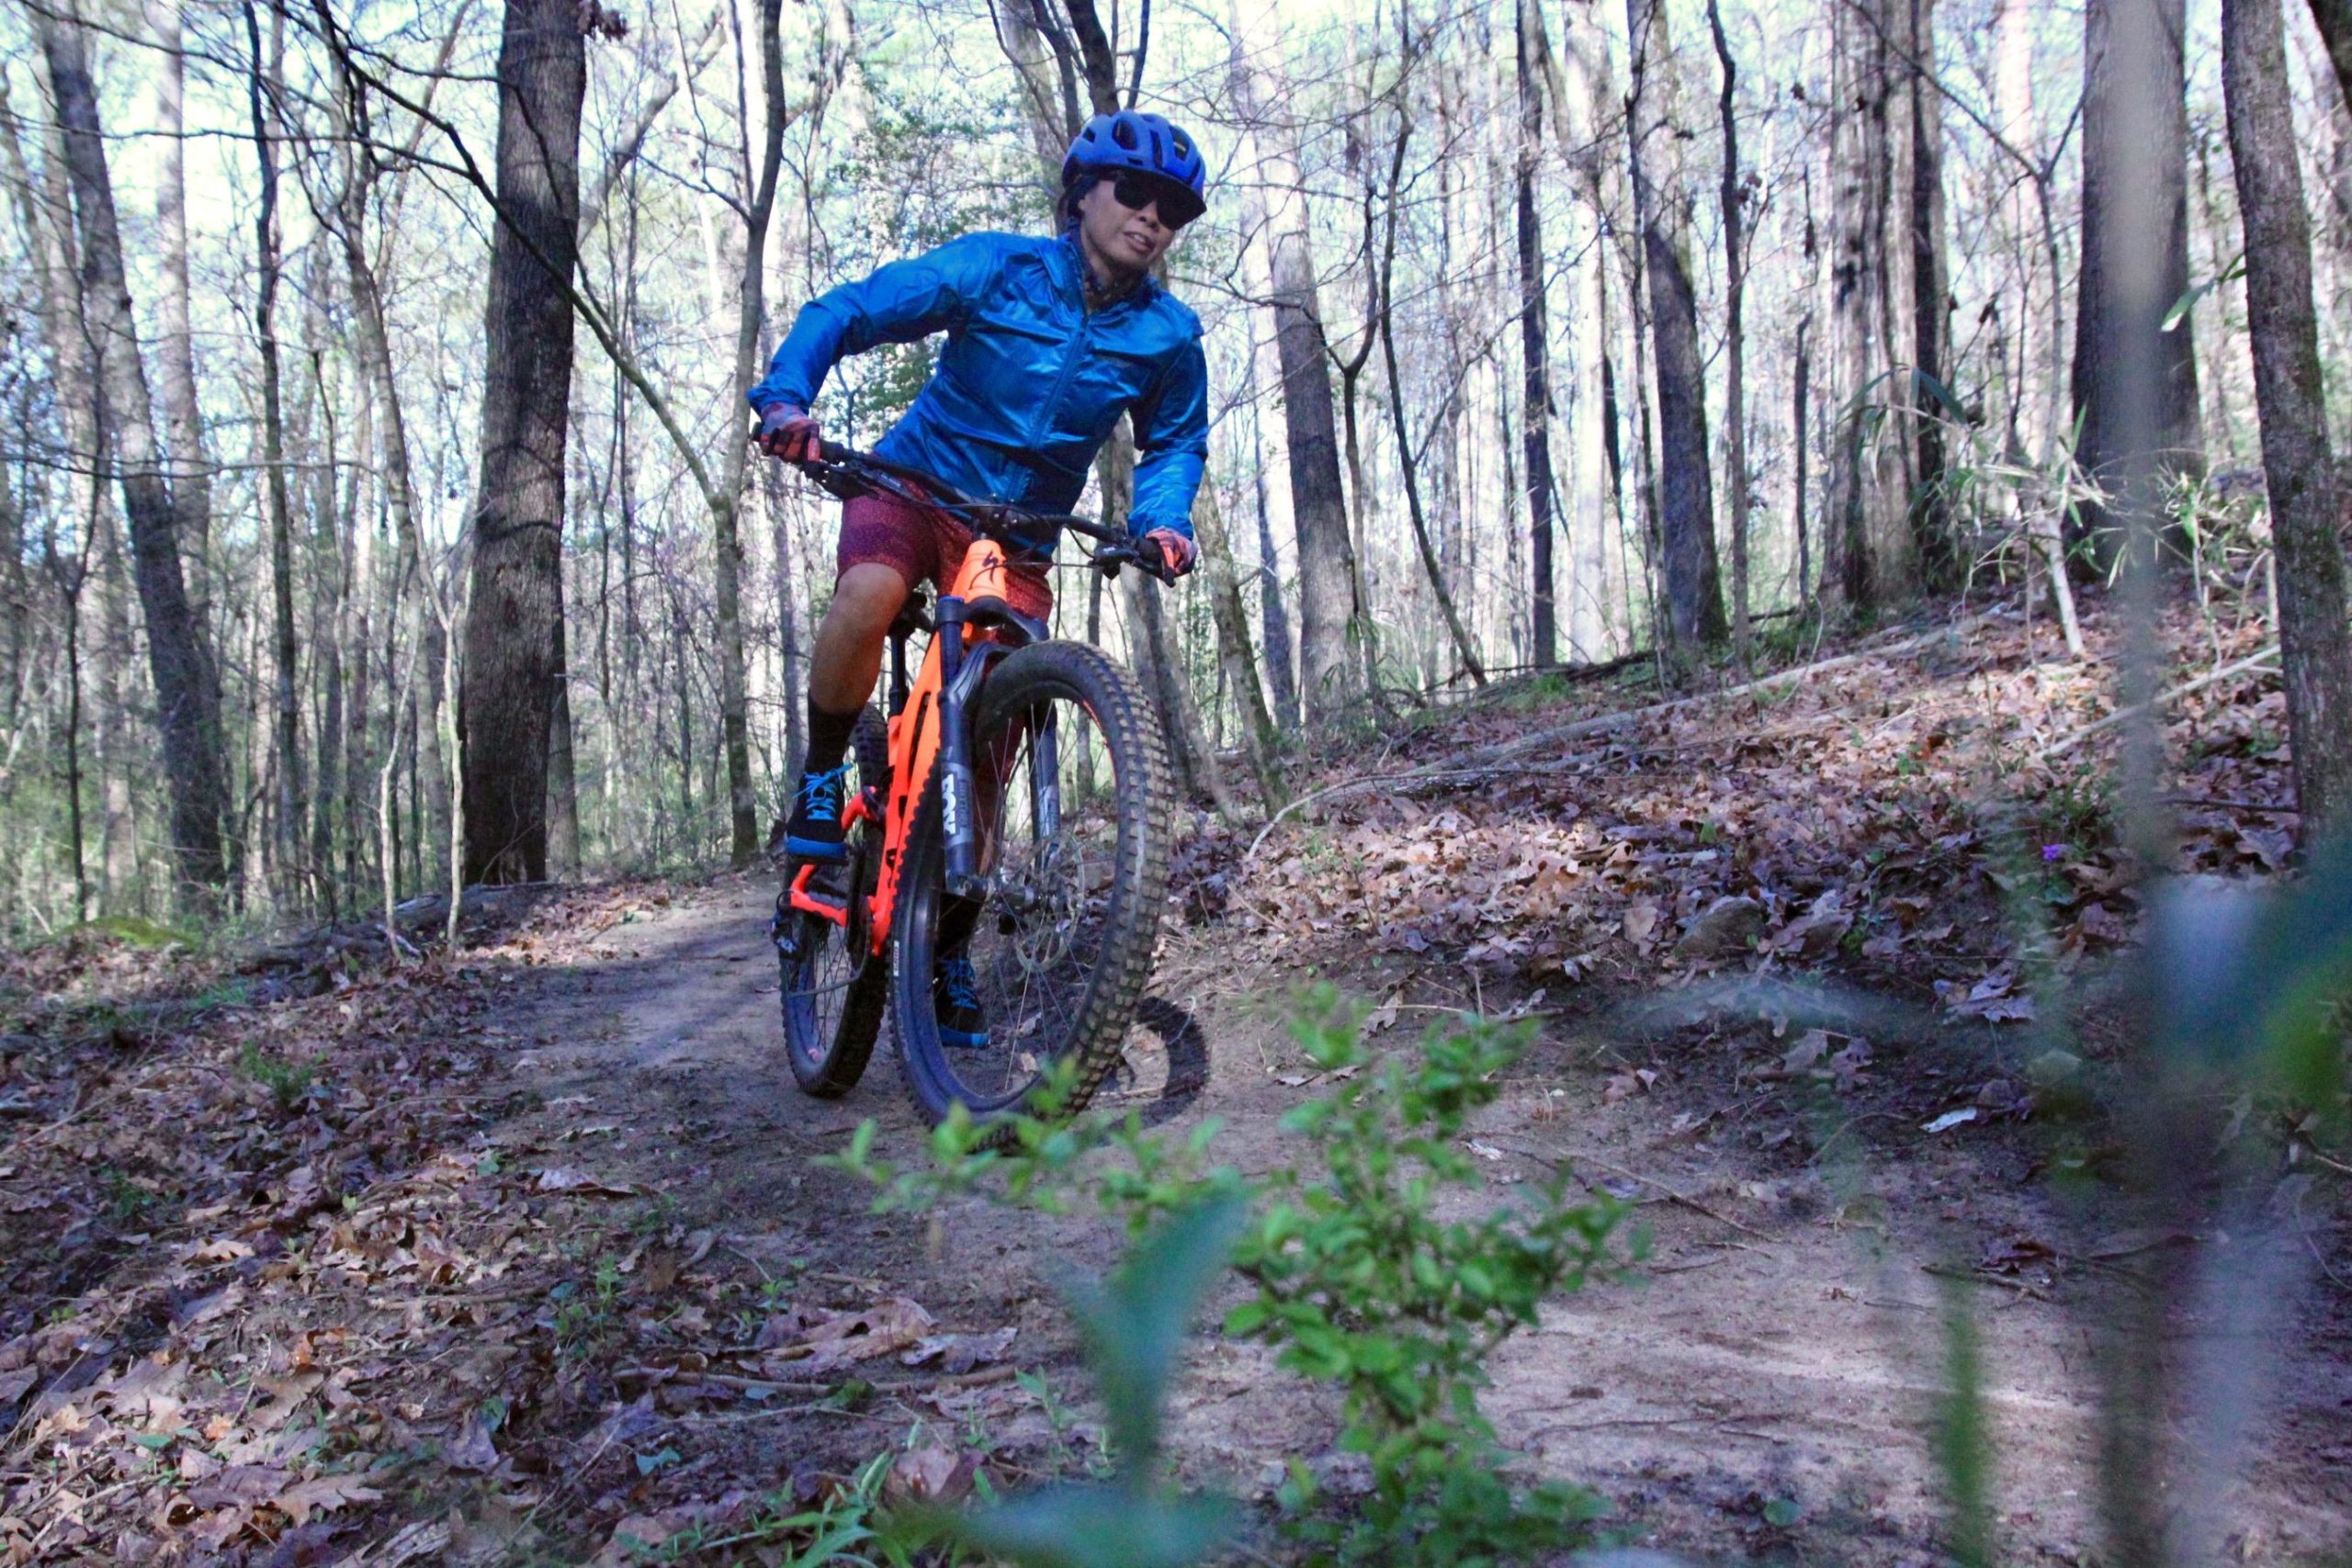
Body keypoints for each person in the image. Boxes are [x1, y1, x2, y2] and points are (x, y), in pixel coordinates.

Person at [751, 108, 1211, 1045]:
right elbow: (852, 310)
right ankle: (819, 776)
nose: (1152, 216)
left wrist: (1162, 521)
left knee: (990, 750)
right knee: (873, 594)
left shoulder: (1167, 335)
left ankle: (946, 945)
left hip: (1019, 537)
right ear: (1082, 193)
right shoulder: (997, 268)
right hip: (914, 486)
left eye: (1173, 208)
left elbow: (1174, 441)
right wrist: (789, 396)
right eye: (1135, 193)